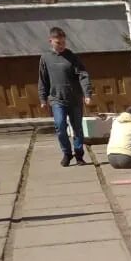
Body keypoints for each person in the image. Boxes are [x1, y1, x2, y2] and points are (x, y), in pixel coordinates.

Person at [37, 26, 93, 167]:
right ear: (51, 41)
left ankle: (79, 155)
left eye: (63, 42)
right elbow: (42, 79)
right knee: (60, 126)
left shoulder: (72, 57)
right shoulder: (45, 58)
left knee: (77, 128)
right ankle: (67, 153)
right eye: (58, 43)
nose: (61, 46)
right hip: (57, 99)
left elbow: (83, 75)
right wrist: (43, 98)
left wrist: (87, 94)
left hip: (74, 99)